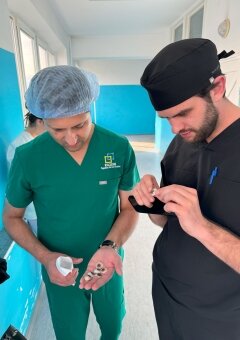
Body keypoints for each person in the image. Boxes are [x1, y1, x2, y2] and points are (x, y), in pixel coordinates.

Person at [3, 65, 139, 340]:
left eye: (80, 125)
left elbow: (129, 207)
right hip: (60, 266)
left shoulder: (118, 147)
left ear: (90, 109)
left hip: (107, 260)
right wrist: (45, 257)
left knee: (112, 327)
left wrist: (111, 246)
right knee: (69, 334)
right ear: (42, 120)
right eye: (58, 130)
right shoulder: (28, 157)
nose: (71, 138)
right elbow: (12, 217)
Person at [132, 38, 240, 340]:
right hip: (167, 296)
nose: (175, 129)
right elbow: (166, 221)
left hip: (219, 320)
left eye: (183, 113)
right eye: (166, 119)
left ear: (217, 88)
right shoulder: (183, 142)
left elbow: (197, 226)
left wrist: (203, 227)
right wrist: (154, 203)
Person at [7, 110, 45, 234]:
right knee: (46, 246)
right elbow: (23, 184)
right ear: (40, 121)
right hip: (35, 210)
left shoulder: (37, 141)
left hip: (45, 206)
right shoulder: (19, 147)